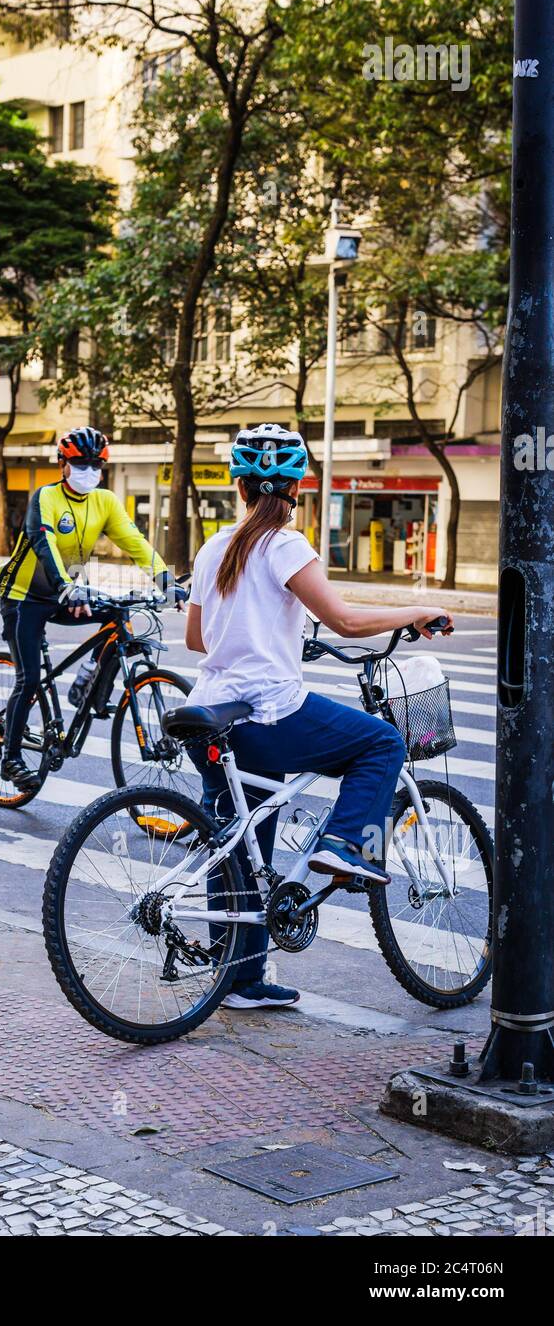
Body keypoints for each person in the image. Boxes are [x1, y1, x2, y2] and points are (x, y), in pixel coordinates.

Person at [185, 422, 453, 1011]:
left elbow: (196, 638)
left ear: (238, 485)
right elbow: (347, 623)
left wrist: (268, 635)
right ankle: (344, 846)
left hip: (210, 710)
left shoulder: (213, 546)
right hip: (270, 712)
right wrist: (416, 610)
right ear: (298, 487)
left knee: (239, 835)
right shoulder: (284, 544)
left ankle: (241, 981)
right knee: (382, 743)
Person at [0, 426, 186, 790]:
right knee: (29, 679)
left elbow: (135, 542)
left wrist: (166, 581)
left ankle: (89, 683)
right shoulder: (45, 497)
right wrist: (66, 586)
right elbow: (42, 542)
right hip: (24, 596)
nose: (88, 470)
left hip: (66, 593)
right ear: (62, 464)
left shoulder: (106, 502)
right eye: (80, 463)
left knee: (118, 614)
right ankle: (11, 757)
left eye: (95, 463)